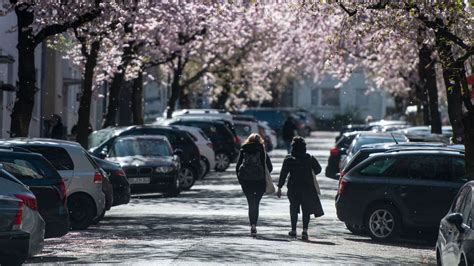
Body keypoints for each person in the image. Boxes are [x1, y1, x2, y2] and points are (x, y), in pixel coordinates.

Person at [277, 136, 323, 240]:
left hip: (293, 187)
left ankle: (293, 230)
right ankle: (305, 231)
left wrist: (279, 187)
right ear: (304, 147)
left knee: (293, 208)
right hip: (307, 187)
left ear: (292, 147)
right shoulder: (309, 158)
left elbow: (283, 173)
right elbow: (319, 169)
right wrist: (309, 172)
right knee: (306, 209)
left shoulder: (288, 159)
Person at [236, 133, 273, 237]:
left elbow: (238, 166)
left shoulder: (244, 149)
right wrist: (265, 175)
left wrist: (241, 180)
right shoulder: (262, 150)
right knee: (256, 204)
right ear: (260, 140)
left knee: (250, 203)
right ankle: (254, 225)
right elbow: (269, 167)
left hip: (246, 181)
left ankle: (252, 225)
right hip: (259, 181)